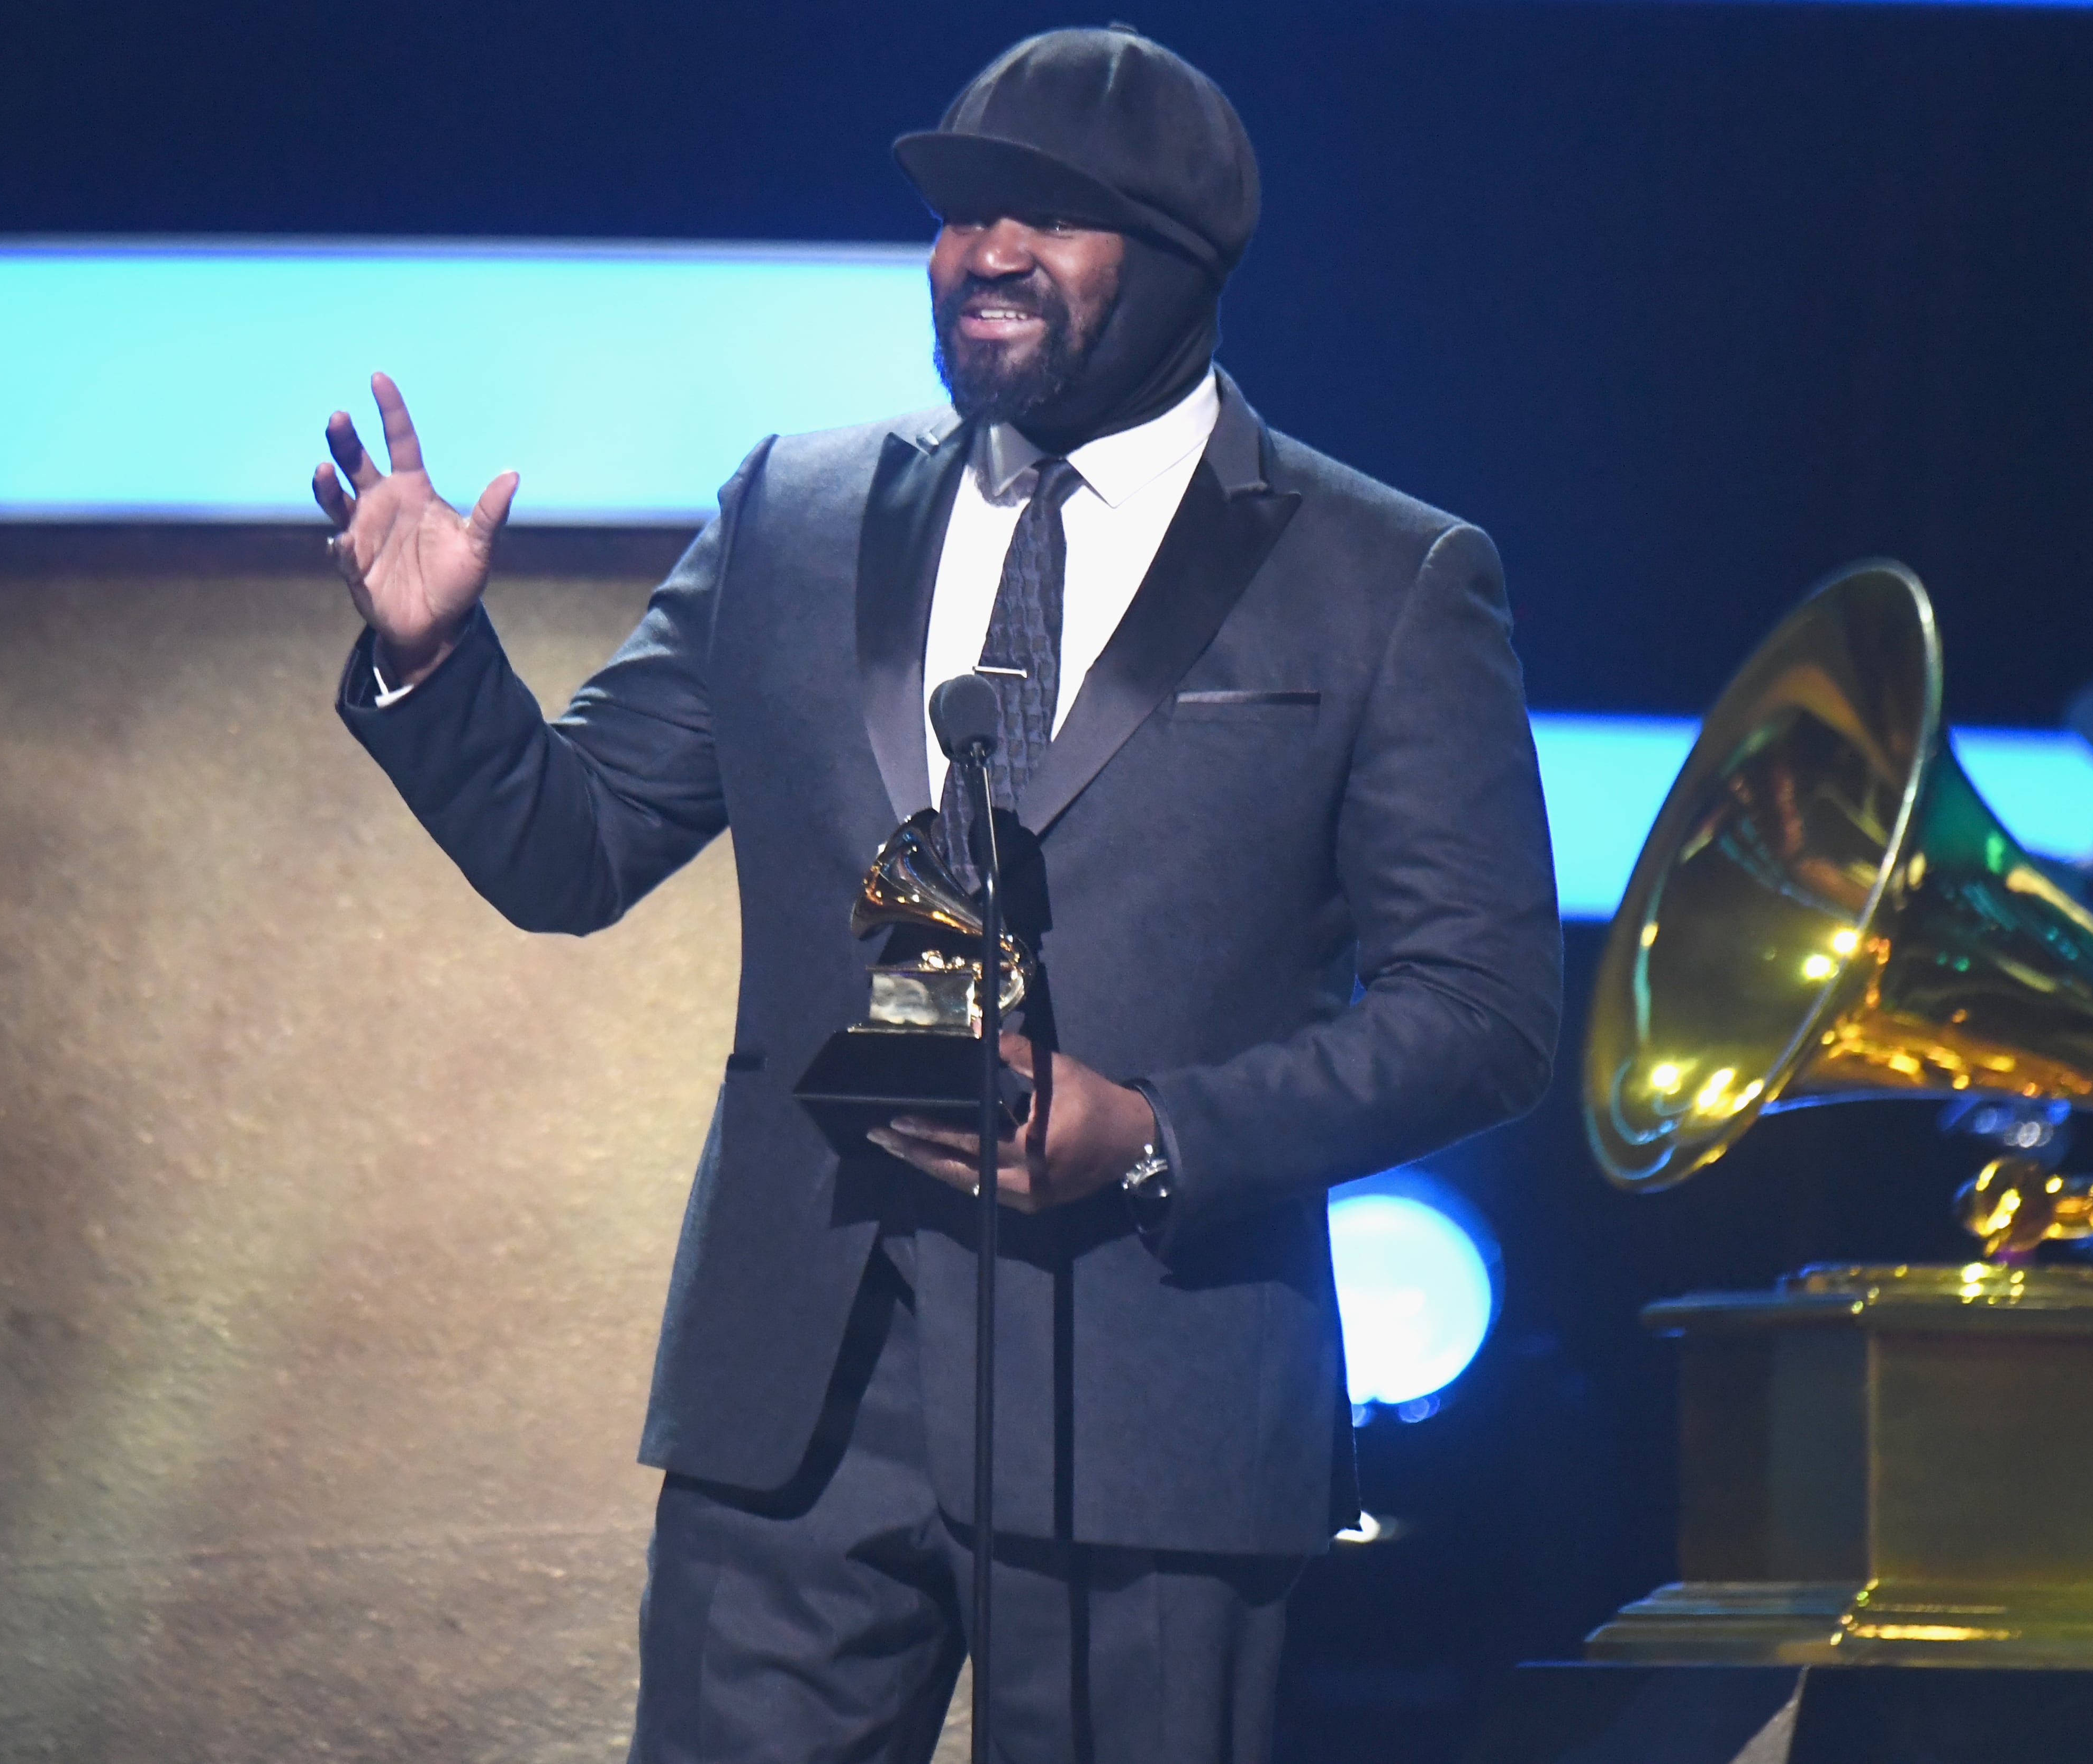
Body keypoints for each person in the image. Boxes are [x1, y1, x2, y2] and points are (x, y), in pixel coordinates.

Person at [313, 25, 1560, 1761]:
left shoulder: (1387, 578)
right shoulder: (793, 511)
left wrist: (1151, 1129)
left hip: (1156, 1410)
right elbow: (573, 844)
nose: (981, 252)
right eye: (961, 211)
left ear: (1193, 256)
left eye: (1045, 217)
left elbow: (1483, 1018)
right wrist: (439, 666)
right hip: (800, 1405)